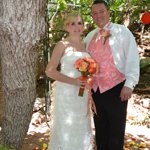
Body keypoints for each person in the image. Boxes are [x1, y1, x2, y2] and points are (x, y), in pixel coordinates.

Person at [84, 0, 140, 150]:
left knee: (116, 132)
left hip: (117, 88)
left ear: (108, 12)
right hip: (96, 91)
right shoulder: (90, 36)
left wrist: (129, 84)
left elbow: (132, 58)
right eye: (94, 13)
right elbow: (83, 61)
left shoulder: (123, 31)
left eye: (101, 11)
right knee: (101, 130)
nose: (98, 15)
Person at [45, 13, 93, 150]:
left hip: (82, 94)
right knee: (66, 127)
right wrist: (74, 81)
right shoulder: (62, 45)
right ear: (67, 27)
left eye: (79, 23)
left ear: (83, 27)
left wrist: (88, 79)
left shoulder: (86, 46)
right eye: (72, 23)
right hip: (66, 93)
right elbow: (50, 71)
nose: (77, 27)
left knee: (82, 125)